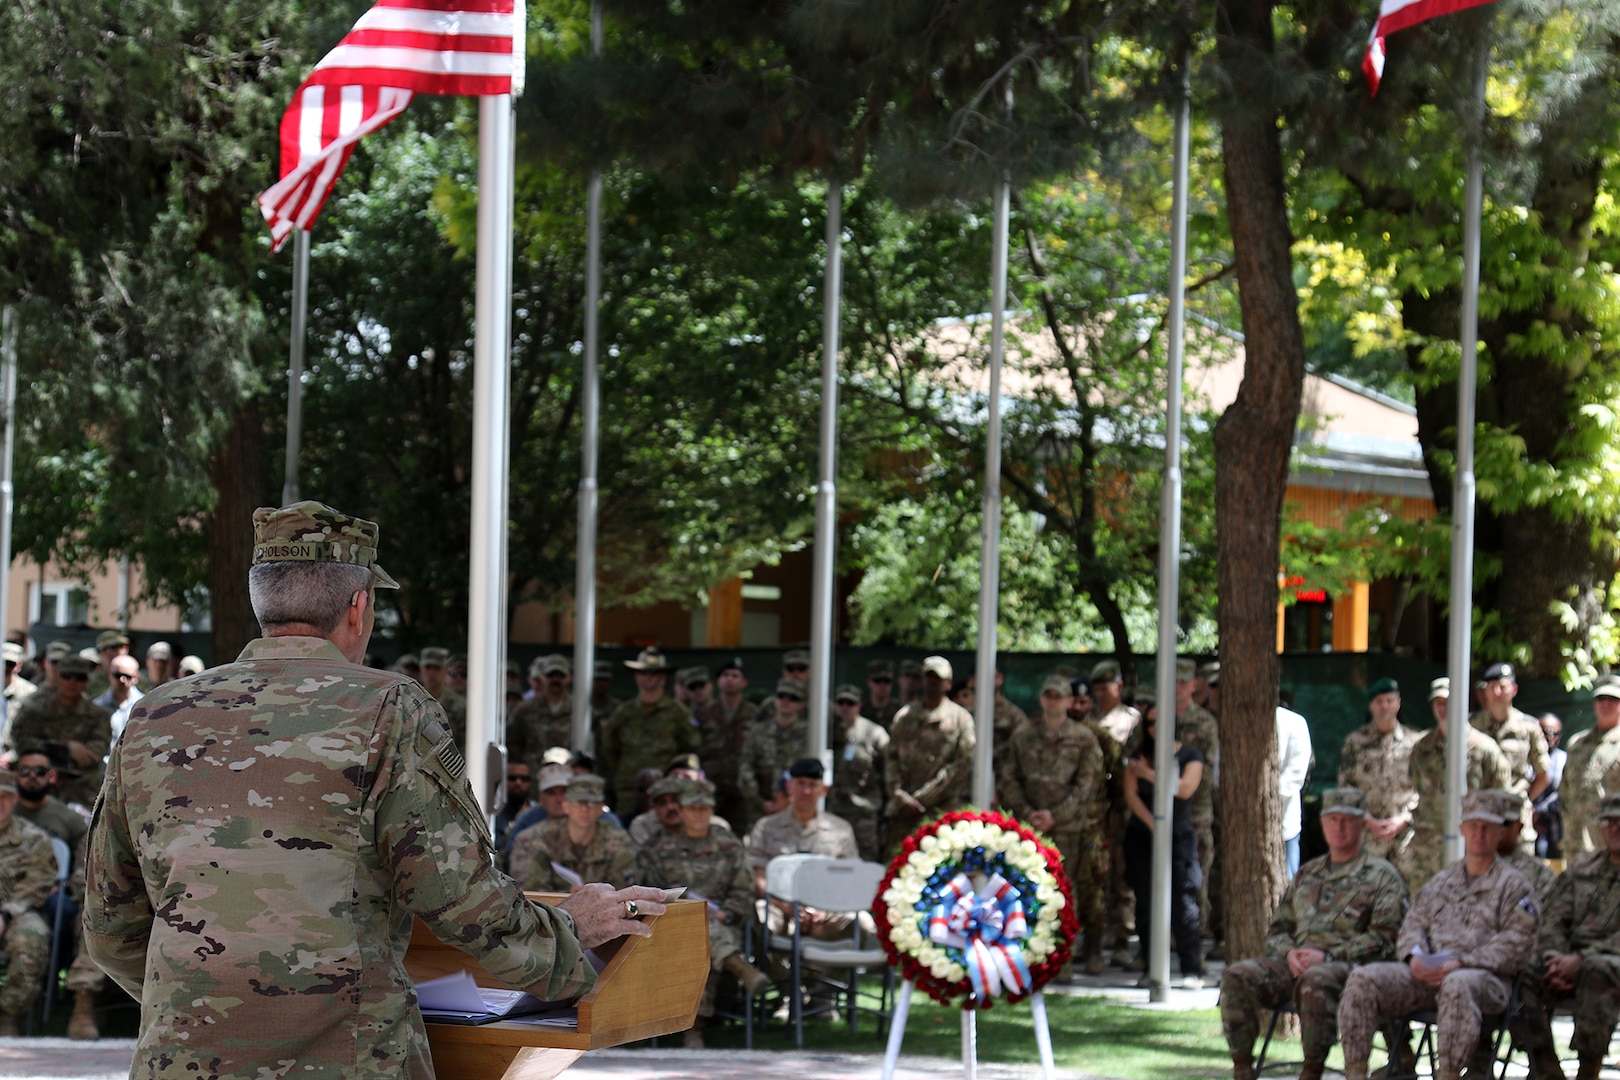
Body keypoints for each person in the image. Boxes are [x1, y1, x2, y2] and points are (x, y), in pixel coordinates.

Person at [83, 500, 666, 1078]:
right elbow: (459, 897)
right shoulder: (388, 708)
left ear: (261, 602)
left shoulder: (155, 716)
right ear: (359, 608)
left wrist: (210, 1008)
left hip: (180, 1059)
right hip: (348, 1059)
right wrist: (569, 937)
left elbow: (110, 928)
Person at [1337, 790, 1539, 1080]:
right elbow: (1412, 924)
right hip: (1428, 978)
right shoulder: (1442, 882)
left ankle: (1448, 1074)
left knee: (1457, 983)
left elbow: (1517, 944)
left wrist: (1463, 963)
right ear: (1462, 830)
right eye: (1473, 826)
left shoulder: (1515, 887)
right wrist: (1415, 956)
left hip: (1486, 982)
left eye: (1488, 827)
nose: (1479, 833)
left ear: (1500, 833)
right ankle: (1355, 1072)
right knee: (1363, 979)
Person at [1220, 788, 1407, 1080]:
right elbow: (1279, 929)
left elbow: (1384, 939)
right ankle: (1242, 1068)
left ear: (1362, 824)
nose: (1340, 827)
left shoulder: (1382, 876)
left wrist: (1330, 956)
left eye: (1348, 820)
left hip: (1353, 969)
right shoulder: (1308, 874)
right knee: (1237, 975)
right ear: (1322, 823)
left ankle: (1312, 1071)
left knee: (1316, 979)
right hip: (1298, 964)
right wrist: (1288, 953)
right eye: (1333, 819)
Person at [636, 779, 771, 1049]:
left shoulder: (729, 846)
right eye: (692, 808)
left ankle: (692, 1028)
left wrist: (728, 913)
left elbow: (743, 892)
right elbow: (646, 890)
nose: (698, 814)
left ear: (711, 811)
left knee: (702, 938)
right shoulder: (659, 849)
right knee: (697, 929)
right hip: (670, 923)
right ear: (683, 811)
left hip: (723, 923)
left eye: (703, 809)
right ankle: (741, 969)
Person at [999, 674, 1105, 975]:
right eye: (1049, 695)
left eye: (1059, 696)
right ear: (1042, 699)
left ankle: (1063, 958)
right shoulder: (1023, 734)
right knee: (1027, 890)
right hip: (1030, 828)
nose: (1054, 701)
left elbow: (1087, 785)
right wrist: (1028, 813)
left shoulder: (1083, 738)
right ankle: (1030, 956)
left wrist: (1055, 815)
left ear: (1069, 701)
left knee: (1063, 893)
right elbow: (1010, 777)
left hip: (1067, 829)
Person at [1530, 791, 1620, 1080]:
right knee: (1527, 972)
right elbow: (1553, 918)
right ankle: (1546, 1068)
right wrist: (1555, 957)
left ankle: (1588, 1071)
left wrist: (1580, 960)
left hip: (1606, 965)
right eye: (1608, 821)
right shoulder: (1583, 869)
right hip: (1573, 962)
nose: (1614, 828)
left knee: (1597, 970)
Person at [1122, 692, 1205, 988]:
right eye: (1151, 723)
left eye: (1162, 722)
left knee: (1183, 903)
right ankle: (1152, 967)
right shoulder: (1137, 755)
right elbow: (1131, 795)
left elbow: (1183, 789)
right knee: (1145, 904)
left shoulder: (1190, 755)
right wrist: (1154, 824)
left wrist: (1148, 773)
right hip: (1143, 837)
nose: (1156, 728)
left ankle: (1191, 969)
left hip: (1179, 837)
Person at [1401, 677, 1509, 892]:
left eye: (1448, 702)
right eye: (1438, 703)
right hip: (1427, 849)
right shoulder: (1422, 748)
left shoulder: (1484, 748)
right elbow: (1415, 789)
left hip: (1469, 846)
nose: (1443, 708)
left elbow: (1501, 796)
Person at [747, 758, 858, 940]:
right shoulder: (766, 828)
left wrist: (826, 908)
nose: (806, 791)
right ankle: (772, 970)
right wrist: (784, 904)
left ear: (823, 790)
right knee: (760, 919)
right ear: (789, 786)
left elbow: (850, 879)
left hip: (826, 914)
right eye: (800, 784)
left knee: (861, 923)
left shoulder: (841, 829)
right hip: (779, 909)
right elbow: (758, 877)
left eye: (813, 785)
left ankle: (835, 969)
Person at [883, 655, 975, 853]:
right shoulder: (904, 716)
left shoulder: (961, 719)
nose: (933, 684)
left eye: (938, 680)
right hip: (903, 815)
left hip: (940, 812)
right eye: (929, 678)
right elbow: (891, 758)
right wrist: (900, 796)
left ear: (948, 684)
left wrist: (922, 799)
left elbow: (961, 765)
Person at [599, 647, 699, 818]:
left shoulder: (678, 713)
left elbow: (690, 747)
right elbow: (610, 748)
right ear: (636, 676)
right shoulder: (623, 713)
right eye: (643, 673)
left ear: (663, 677)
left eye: (655, 673)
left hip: (667, 792)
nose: (648, 678)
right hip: (628, 791)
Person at [6, 653, 111, 808]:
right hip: (38, 785)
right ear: (58, 676)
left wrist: (51, 750)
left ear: (87, 680)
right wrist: (66, 747)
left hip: (82, 789)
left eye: (79, 677)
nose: (72, 682)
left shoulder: (97, 715)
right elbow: (22, 742)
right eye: (67, 675)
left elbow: (94, 753)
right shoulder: (35, 709)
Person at [1337, 677, 1420, 867]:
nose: (1385, 706)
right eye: (1379, 702)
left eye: (1389, 701)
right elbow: (1345, 785)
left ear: (1398, 704)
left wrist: (1405, 819)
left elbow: (1423, 787)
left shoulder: (1415, 742)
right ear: (1370, 706)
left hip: (1406, 837)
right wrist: (1367, 819)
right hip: (1367, 835)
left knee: (1408, 892)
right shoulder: (1354, 742)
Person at [1469, 661, 1552, 852]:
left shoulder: (1529, 727)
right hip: (1480, 819)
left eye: (1502, 687)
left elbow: (1543, 774)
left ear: (1514, 690)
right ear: (1485, 692)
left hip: (1516, 821)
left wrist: (1523, 799)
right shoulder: (1472, 727)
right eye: (1492, 687)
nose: (1497, 692)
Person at [0, 769, 59, 1035]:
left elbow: (38, 883)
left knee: (33, 936)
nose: (0, 802)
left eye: (5, 796)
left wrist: (6, 915)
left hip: (17, 912)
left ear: (15, 800)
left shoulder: (34, 838)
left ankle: (9, 1015)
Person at [1089, 659, 1140, 956]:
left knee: (1121, 869)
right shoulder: (1088, 718)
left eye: (1105, 688)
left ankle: (1122, 932)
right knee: (1095, 868)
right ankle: (1097, 929)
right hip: (1095, 806)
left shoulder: (1131, 721)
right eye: (1096, 689)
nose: (1100, 694)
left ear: (1119, 686)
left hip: (1120, 805)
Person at [522, 774, 636, 893]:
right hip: (555, 909)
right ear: (566, 806)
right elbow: (534, 889)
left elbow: (625, 891)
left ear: (600, 808)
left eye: (591, 803)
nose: (585, 809)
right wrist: (567, 894)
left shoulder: (617, 840)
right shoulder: (545, 836)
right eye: (578, 803)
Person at [827, 683, 889, 862]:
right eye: (841, 703)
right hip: (833, 812)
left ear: (859, 706)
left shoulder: (874, 733)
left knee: (866, 863)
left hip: (864, 814)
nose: (845, 708)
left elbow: (888, 770)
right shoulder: (826, 732)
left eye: (850, 703)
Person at [1560, 675, 1620, 855]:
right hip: (1575, 846)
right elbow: (1564, 792)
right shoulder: (1576, 744)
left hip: (1610, 849)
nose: (1606, 704)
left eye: (1613, 699)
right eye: (1601, 698)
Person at [739, 678, 813, 823]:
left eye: (793, 698)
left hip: (797, 810)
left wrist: (789, 802)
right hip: (760, 810)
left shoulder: (809, 735)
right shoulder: (758, 732)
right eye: (781, 696)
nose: (786, 701)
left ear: (801, 705)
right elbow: (746, 766)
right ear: (774, 700)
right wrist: (760, 802)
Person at [695, 656, 756, 829]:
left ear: (744, 682)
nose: (729, 679)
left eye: (735, 675)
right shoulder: (703, 714)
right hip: (712, 786)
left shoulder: (754, 714)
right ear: (718, 681)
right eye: (725, 675)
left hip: (741, 789)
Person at [506, 654, 574, 775]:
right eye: (550, 675)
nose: (555, 680)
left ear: (569, 677)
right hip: (534, 777)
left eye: (560, 676)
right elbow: (513, 743)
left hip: (569, 776)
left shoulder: (577, 710)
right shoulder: (525, 709)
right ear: (542, 677)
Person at [506, 763, 574, 881]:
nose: (559, 799)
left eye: (564, 791)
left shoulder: (596, 830)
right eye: (551, 793)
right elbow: (523, 885)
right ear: (541, 800)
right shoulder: (525, 839)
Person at [1277, 700, 1314, 879]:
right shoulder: (1237, 720)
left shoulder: (1294, 722)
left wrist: (1265, 801)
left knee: (1287, 882)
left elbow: (1295, 774)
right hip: (1241, 824)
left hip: (1286, 824)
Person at [416, 646, 468, 746]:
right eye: (428, 668)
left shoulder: (460, 706)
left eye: (437, 668)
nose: (431, 673)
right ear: (421, 669)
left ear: (446, 670)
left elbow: (465, 746)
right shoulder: (411, 701)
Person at [92, 653, 143, 746]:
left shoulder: (146, 705)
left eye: (127, 676)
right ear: (109, 674)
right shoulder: (97, 706)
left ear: (136, 677)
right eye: (117, 675)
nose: (122, 680)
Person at [1535, 712, 1565, 859]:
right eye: (1547, 732)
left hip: (1555, 832)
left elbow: (1563, 795)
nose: (1551, 737)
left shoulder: (1564, 760)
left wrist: (1539, 813)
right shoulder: (1526, 758)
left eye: (1556, 733)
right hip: (1527, 831)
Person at [493, 760, 536, 851]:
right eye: (512, 778)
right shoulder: (493, 815)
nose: (518, 783)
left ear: (530, 782)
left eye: (523, 779)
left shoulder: (539, 813)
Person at [864, 659, 901, 730]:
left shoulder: (899, 711)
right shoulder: (861, 711)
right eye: (877, 680)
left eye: (886, 681)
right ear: (869, 682)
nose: (882, 685)